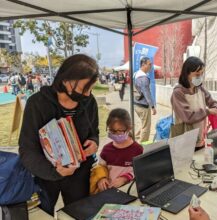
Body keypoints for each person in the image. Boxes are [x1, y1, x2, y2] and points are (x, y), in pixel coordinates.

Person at [19, 54, 99, 216]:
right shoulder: (37, 103)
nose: (87, 94)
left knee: (78, 214)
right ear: (65, 81)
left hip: (79, 175)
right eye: (84, 88)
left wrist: (94, 142)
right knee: (42, 215)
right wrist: (54, 171)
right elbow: (27, 150)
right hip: (45, 177)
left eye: (91, 89)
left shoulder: (89, 102)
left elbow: (94, 132)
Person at [171, 56, 217, 149]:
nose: (200, 77)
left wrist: (215, 107)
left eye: (201, 74)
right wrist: (208, 111)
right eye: (197, 74)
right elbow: (188, 117)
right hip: (184, 140)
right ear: (187, 73)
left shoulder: (200, 89)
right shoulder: (178, 92)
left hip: (200, 138)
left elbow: (211, 101)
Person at [90, 108, 143, 194]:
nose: (115, 134)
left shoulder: (137, 149)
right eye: (112, 130)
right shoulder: (106, 150)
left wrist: (125, 178)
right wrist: (101, 178)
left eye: (119, 131)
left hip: (130, 192)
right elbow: (100, 167)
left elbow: (140, 171)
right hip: (109, 191)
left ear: (129, 128)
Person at [133, 57, 156, 142]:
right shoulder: (143, 78)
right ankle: (142, 147)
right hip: (143, 106)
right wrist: (152, 107)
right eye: (149, 64)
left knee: (144, 123)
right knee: (146, 127)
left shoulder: (135, 74)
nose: (151, 66)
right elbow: (147, 93)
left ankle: (136, 137)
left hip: (136, 104)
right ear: (143, 64)